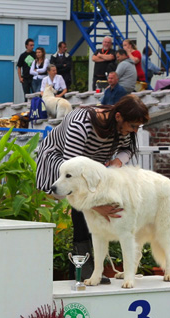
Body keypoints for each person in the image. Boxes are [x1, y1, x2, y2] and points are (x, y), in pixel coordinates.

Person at [36, 94, 150, 280]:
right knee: (83, 215)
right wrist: (97, 206)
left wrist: (117, 163)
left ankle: (94, 269)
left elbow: (128, 150)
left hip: (92, 168)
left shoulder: (120, 128)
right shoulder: (81, 123)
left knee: (97, 214)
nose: (135, 131)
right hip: (61, 165)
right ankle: (83, 270)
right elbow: (71, 169)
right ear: (119, 116)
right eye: (133, 126)